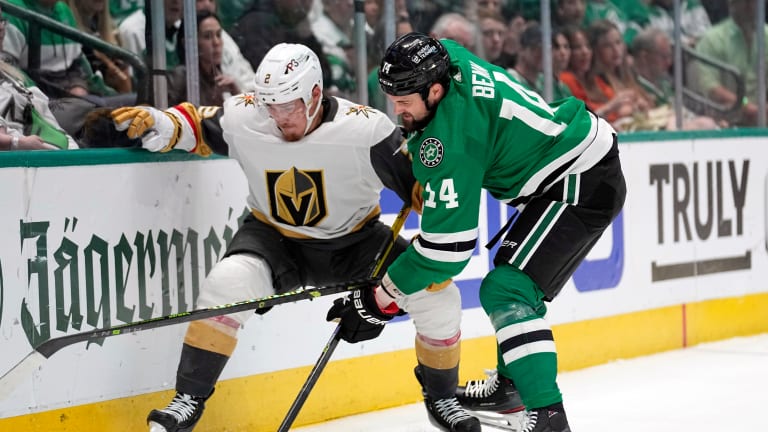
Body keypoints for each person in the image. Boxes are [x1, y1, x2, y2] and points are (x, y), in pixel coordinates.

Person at [111, 42, 472, 432]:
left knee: (440, 296)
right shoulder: (246, 117)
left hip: (355, 242)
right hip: (274, 238)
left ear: (315, 94)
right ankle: (188, 399)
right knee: (226, 283)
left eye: (287, 106)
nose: (278, 118)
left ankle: (442, 398)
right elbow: (199, 125)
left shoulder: (366, 131)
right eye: (270, 106)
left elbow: (424, 186)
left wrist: (436, 202)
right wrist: (163, 124)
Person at [373, 32, 626, 432]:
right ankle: (511, 387)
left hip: (580, 179)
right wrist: (421, 160)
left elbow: (447, 253)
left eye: (404, 103)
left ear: (435, 90)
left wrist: (383, 294)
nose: (397, 110)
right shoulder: (446, 57)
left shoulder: (453, 141)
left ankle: (547, 417)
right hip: (573, 158)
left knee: (506, 289)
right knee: (515, 279)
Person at [167, 11, 240, 106]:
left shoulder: (218, 76)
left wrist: (236, 93)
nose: (216, 42)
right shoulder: (180, 77)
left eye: (218, 35)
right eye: (207, 36)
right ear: (189, 43)